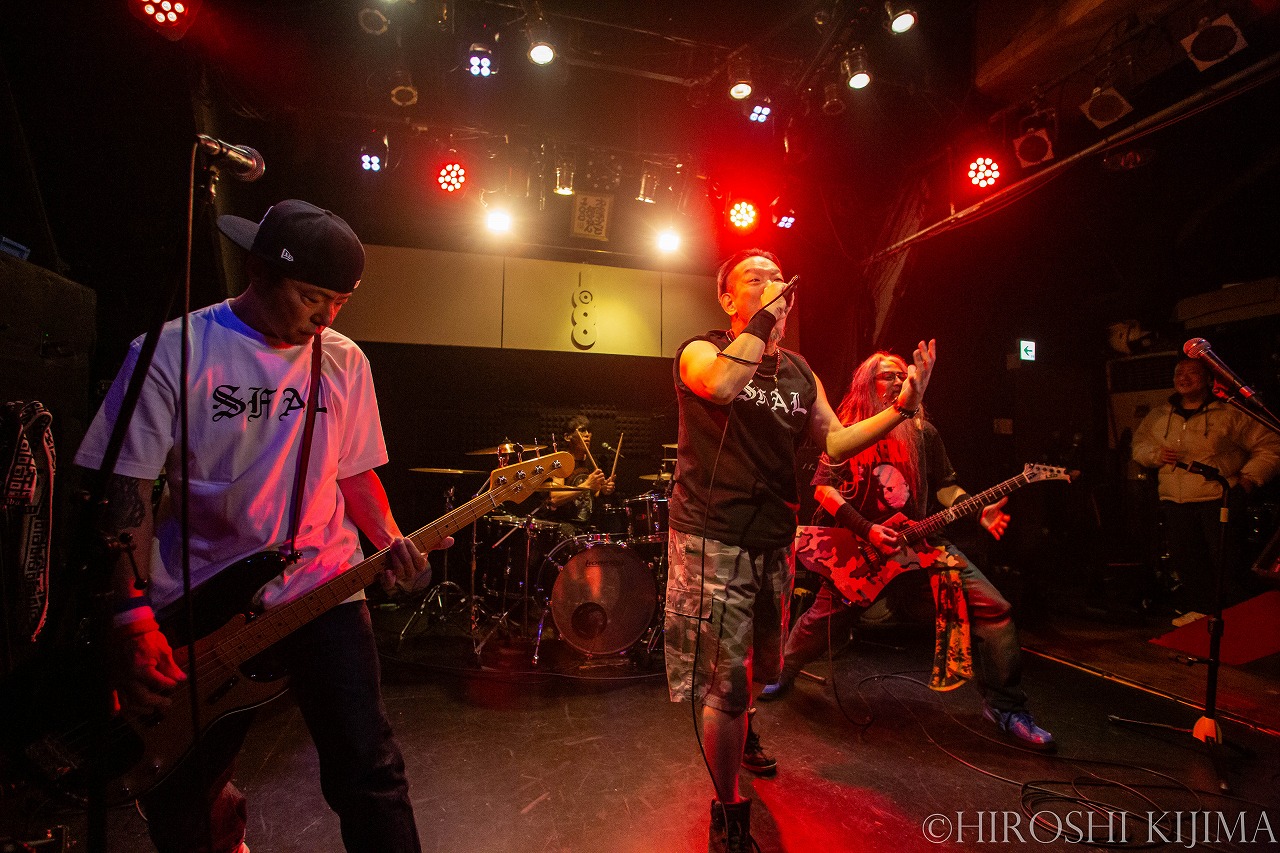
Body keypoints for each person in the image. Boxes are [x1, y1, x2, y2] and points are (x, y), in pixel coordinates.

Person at [75, 200, 442, 853]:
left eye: (340, 301)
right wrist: (131, 617)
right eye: (311, 297)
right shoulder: (173, 351)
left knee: (370, 771)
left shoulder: (345, 361)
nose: (326, 317)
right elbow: (125, 490)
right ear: (258, 270)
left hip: (324, 585)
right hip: (202, 594)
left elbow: (355, 473)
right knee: (181, 788)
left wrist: (390, 539)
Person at [663, 248, 935, 852]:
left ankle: (743, 735)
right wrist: (765, 318)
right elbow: (722, 385)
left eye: (778, 279)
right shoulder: (700, 351)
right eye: (754, 280)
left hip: (774, 536)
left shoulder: (799, 372)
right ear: (728, 299)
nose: (771, 286)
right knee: (726, 685)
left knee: (758, 668)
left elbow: (835, 441)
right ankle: (728, 811)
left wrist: (903, 408)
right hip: (713, 534)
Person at [758, 351, 1055, 754]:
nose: (898, 382)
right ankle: (785, 669)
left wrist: (977, 509)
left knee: (995, 610)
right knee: (823, 621)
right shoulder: (849, 431)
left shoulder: (923, 433)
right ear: (867, 384)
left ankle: (1007, 707)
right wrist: (866, 528)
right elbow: (824, 490)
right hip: (862, 550)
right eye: (887, 376)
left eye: (903, 375)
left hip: (922, 543)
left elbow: (946, 487)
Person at [1131, 356, 1280, 620]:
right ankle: (1200, 615)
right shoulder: (1160, 414)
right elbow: (1139, 446)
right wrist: (1155, 455)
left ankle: (1237, 619)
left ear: (1209, 379)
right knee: (1187, 561)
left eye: (1192, 373)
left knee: (1226, 563)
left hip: (1217, 498)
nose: (1184, 378)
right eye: (1179, 373)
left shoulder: (1229, 413)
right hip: (1176, 501)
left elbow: (1271, 445)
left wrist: (1248, 480)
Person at [542, 414, 617, 535]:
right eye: (582, 430)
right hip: (565, 526)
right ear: (567, 437)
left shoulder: (592, 461)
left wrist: (603, 489)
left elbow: (593, 493)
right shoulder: (561, 461)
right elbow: (555, 498)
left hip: (587, 527)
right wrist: (586, 485)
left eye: (589, 431)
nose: (587, 434)